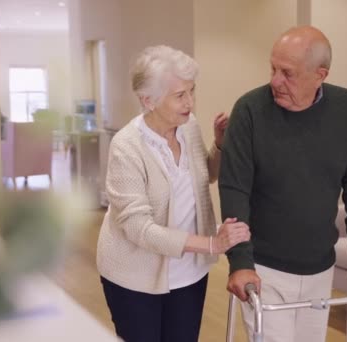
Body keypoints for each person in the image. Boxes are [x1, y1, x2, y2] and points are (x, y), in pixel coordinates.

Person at [219, 26, 347, 342]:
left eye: (287, 73)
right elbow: (234, 190)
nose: (275, 81)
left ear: (320, 75)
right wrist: (240, 262)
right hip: (264, 268)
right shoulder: (250, 110)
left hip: (320, 267)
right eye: (273, 69)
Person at [96, 45, 251, 342]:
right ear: (148, 100)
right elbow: (139, 229)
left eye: (192, 91)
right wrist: (210, 243)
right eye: (180, 95)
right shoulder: (127, 147)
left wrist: (219, 146)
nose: (190, 102)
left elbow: (204, 175)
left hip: (189, 271)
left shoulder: (187, 126)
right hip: (135, 275)